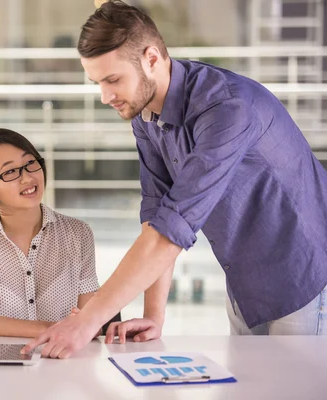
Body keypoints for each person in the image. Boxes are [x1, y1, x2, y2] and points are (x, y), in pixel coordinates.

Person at [22, 1, 327, 359]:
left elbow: (173, 229)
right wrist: (154, 316)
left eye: (113, 79)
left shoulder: (227, 109)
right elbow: (157, 213)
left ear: (151, 58)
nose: (105, 96)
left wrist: (88, 320)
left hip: (304, 277)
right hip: (245, 282)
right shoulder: (145, 114)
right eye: (97, 83)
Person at [0, 128, 101, 337]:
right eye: (10, 172)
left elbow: (92, 320)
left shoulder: (78, 234)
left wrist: (82, 326)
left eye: (30, 163)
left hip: (64, 364)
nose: (27, 178)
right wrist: (53, 329)